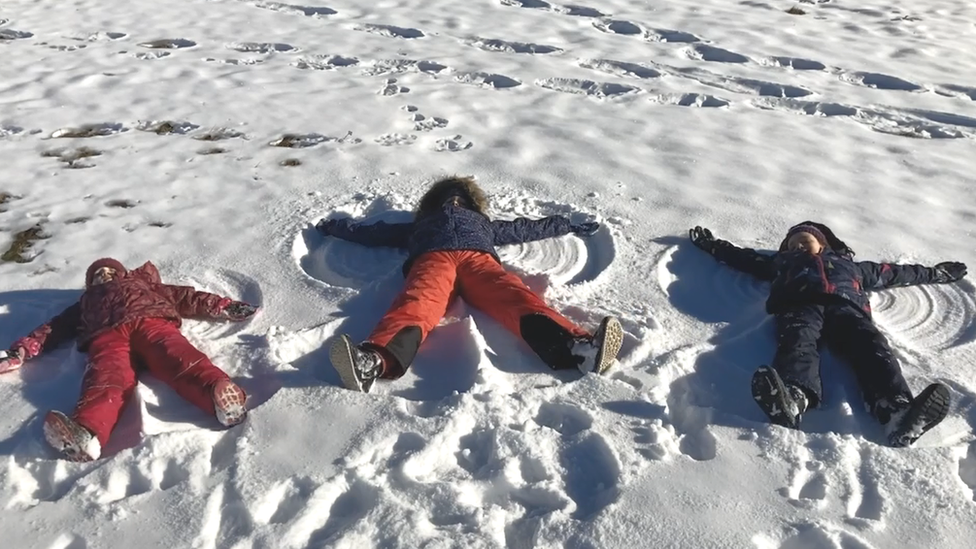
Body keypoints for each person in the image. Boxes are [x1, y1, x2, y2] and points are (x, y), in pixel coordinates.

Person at [317, 176, 623, 393]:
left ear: (471, 204)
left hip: (479, 261)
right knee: (418, 303)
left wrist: (567, 225)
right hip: (433, 259)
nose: (453, 201)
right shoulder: (419, 226)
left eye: (460, 198)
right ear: (433, 203)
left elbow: (525, 228)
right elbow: (374, 233)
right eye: (447, 197)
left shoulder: (483, 224)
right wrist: (334, 227)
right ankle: (374, 360)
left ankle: (579, 348)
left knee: (515, 297)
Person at [689, 221, 967, 447]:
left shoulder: (853, 267)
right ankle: (794, 398)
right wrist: (712, 245)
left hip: (847, 308)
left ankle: (897, 411)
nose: (797, 245)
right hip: (800, 306)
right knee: (798, 342)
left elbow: (894, 273)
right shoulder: (782, 263)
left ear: (822, 243)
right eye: (791, 243)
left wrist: (936, 273)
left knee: (871, 346)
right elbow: (744, 259)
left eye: (804, 239)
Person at [0, 258, 258, 461]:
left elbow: (185, 297)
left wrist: (222, 305)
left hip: (149, 322)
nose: (104, 275)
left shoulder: (143, 286)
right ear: (90, 283)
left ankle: (220, 397)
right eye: (97, 274)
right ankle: (86, 434)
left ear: (121, 274)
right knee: (106, 378)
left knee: (177, 357)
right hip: (106, 337)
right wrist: (21, 351)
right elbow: (54, 328)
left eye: (110, 271)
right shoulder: (86, 303)